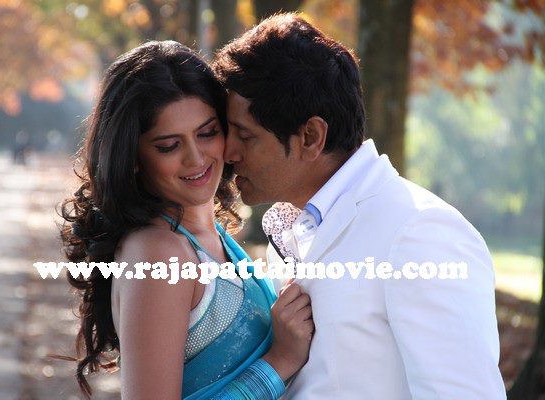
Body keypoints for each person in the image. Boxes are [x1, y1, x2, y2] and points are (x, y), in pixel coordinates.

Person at [214, 13, 506, 399]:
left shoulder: (421, 233)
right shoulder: (290, 231)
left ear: (310, 136)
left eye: (245, 136)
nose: (228, 153)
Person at [59, 41, 314, 400]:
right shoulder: (158, 253)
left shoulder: (213, 238)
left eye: (207, 133)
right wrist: (279, 363)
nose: (195, 158)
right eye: (168, 146)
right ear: (134, 157)